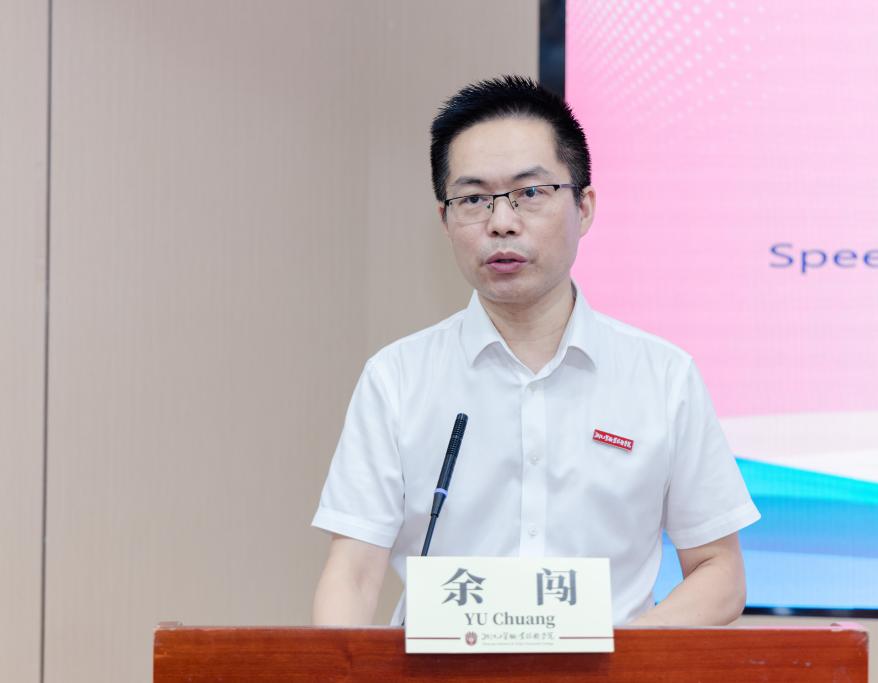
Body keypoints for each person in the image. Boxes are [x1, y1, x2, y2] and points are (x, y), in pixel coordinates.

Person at [311, 75, 760, 626]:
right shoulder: (396, 378)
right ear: (445, 219)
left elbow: (719, 570)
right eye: (473, 199)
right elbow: (353, 574)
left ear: (584, 207)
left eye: (530, 193)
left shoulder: (663, 376)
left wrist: (618, 654)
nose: (501, 223)